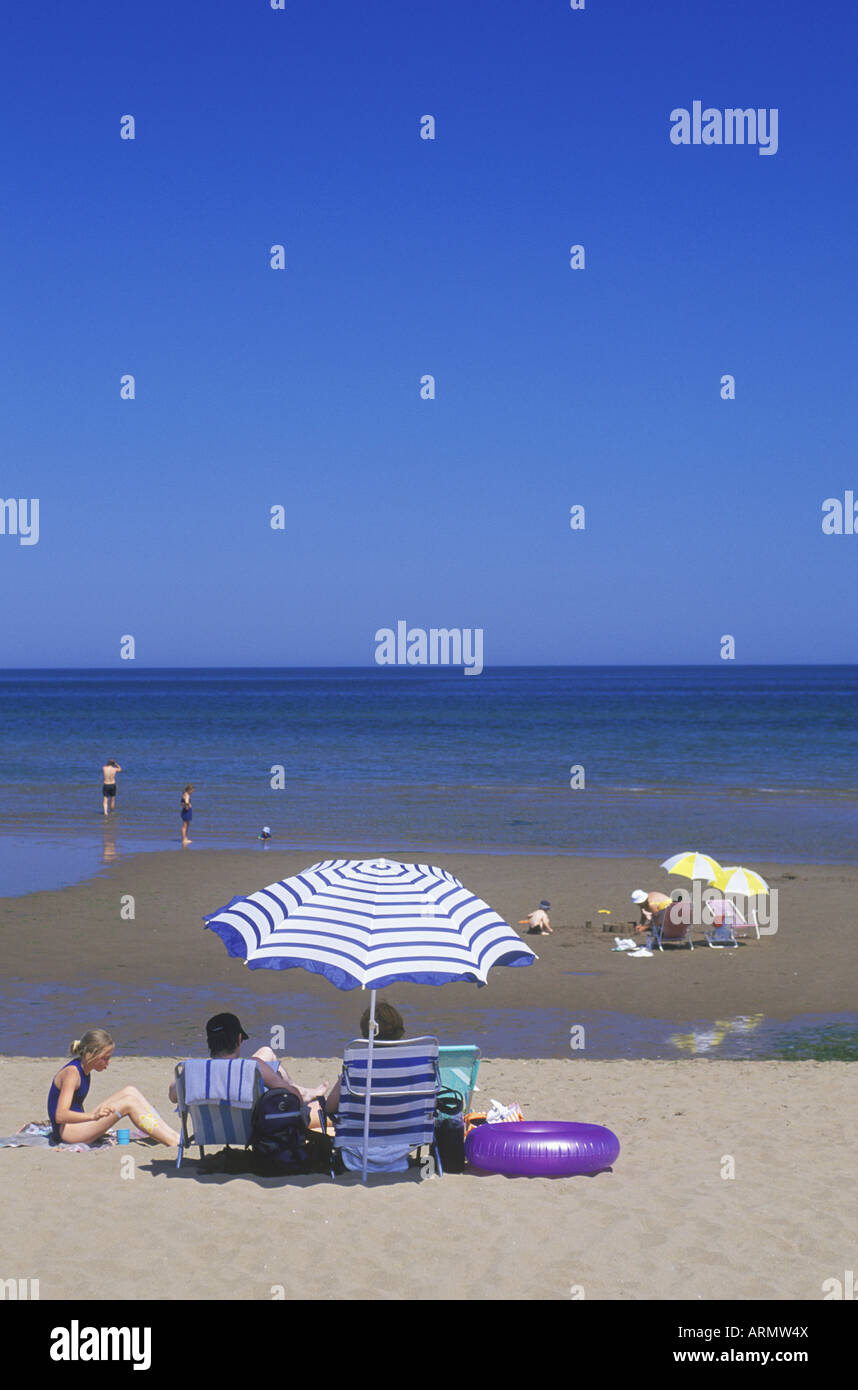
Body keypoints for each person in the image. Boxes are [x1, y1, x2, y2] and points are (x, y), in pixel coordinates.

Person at [47, 1029, 179, 1147]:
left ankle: (173, 1135)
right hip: (68, 1133)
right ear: (91, 1055)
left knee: (130, 1091)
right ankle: (172, 1142)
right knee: (129, 1104)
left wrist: (93, 1117)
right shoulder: (72, 1074)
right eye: (105, 1058)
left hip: (78, 1125)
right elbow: (60, 1115)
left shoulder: (84, 1069)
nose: (108, 1063)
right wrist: (92, 1116)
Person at [167, 1013, 328, 1108]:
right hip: (253, 1128)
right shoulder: (254, 1068)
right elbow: (293, 1097)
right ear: (239, 1039)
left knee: (266, 1052)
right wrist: (293, 1092)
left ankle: (304, 1092)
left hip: (211, 1132)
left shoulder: (193, 1071)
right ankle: (304, 1092)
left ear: (209, 1042)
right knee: (269, 1061)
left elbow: (173, 1096)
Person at [324, 1001, 405, 1115]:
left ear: (365, 1033)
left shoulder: (355, 1066)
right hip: (407, 1126)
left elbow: (330, 1107)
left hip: (362, 1126)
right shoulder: (415, 1065)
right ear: (399, 1032)